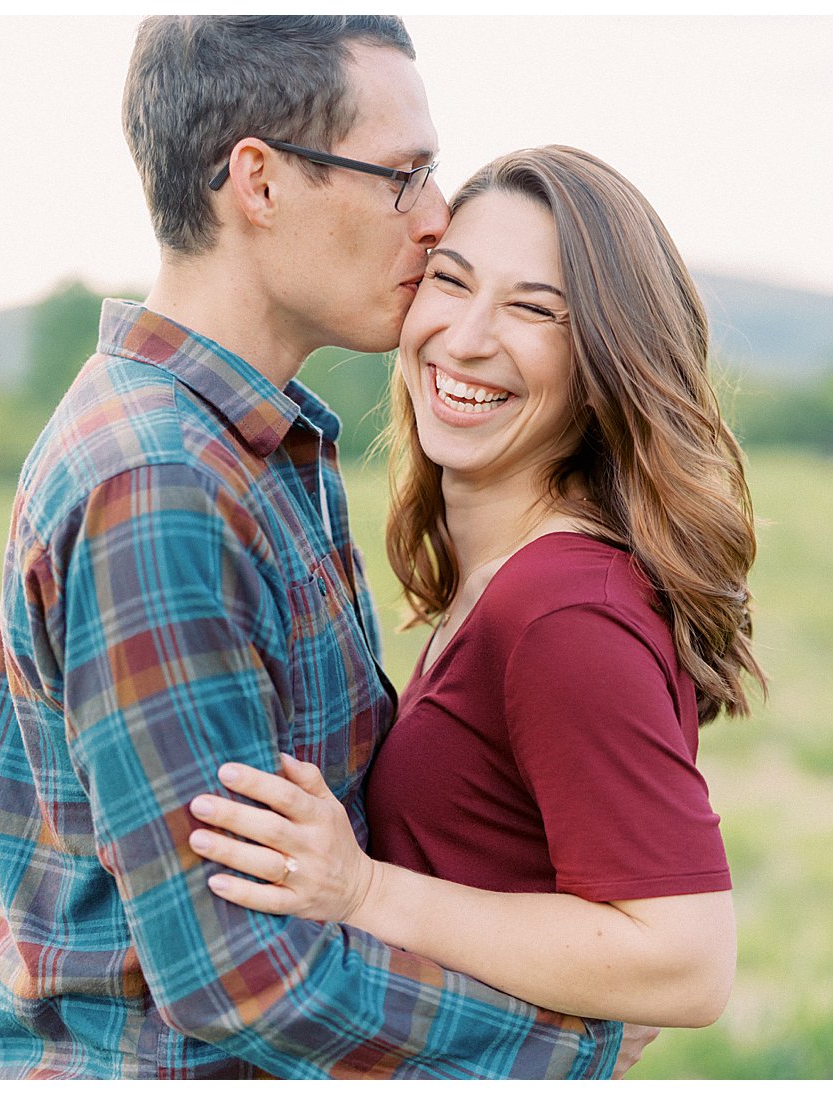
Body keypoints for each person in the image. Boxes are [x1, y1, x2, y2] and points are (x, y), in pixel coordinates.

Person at [0, 17, 629, 1079]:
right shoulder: (160, 483)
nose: (437, 218)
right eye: (403, 177)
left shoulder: (253, 445)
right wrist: (568, 1041)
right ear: (260, 184)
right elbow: (242, 978)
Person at [186, 146, 765, 1032]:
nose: (465, 337)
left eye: (534, 309)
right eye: (449, 282)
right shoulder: (502, 581)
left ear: (607, 359)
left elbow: (685, 960)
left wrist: (366, 889)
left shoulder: (565, 608)